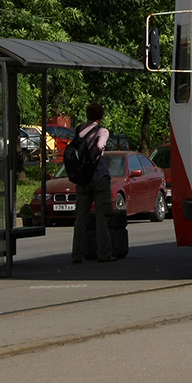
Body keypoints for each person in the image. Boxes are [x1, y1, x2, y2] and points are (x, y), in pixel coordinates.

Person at [71, 102, 113, 263]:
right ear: (101, 116)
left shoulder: (79, 130)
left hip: (82, 178)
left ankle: (77, 254)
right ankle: (104, 253)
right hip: (99, 176)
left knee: (80, 218)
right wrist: (94, 157)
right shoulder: (102, 131)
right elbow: (100, 146)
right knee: (102, 216)